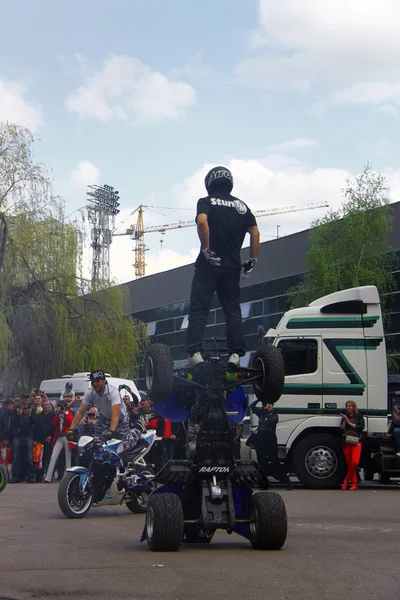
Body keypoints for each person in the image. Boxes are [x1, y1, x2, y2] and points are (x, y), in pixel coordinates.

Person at [186, 166, 260, 368]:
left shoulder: (206, 202)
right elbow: (255, 232)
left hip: (208, 266)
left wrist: (206, 248)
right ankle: (235, 354)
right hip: (232, 267)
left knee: (200, 309)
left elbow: (202, 222)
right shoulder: (241, 206)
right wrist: (252, 259)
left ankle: (196, 354)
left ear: (209, 183)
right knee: (232, 311)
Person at [67, 370, 129, 442]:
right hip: (104, 416)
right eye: (93, 382)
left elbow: (116, 413)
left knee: (119, 441)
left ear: (104, 381)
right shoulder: (90, 392)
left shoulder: (113, 392)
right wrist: (71, 429)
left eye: (98, 381)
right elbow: (81, 411)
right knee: (97, 441)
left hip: (120, 418)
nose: (95, 384)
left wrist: (111, 431)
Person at [249, 399, 292, 490]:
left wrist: (267, 412)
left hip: (270, 438)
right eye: (267, 404)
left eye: (271, 405)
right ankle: (264, 483)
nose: (269, 406)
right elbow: (252, 406)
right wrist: (259, 399)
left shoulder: (274, 415)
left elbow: (270, 422)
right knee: (261, 461)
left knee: (274, 460)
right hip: (261, 437)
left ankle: (286, 481)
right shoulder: (261, 413)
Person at [340, 400, 365, 490]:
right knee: (349, 463)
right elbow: (342, 428)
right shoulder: (345, 416)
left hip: (356, 440)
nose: (348, 408)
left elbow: (361, 427)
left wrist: (349, 423)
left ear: (354, 407)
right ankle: (354, 483)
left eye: (350, 406)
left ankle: (347, 480)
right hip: (347, 441)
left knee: (355, 462)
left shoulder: (359, 416)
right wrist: (344, 421)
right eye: (347, 406)